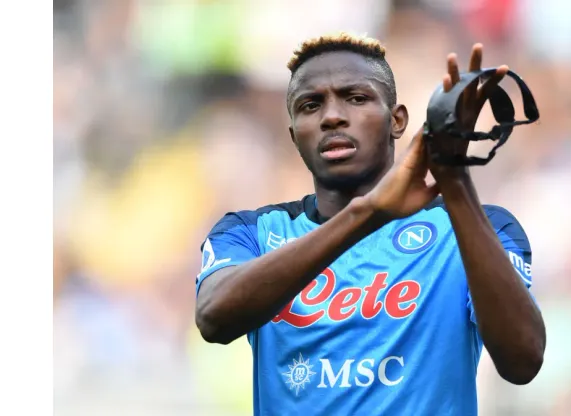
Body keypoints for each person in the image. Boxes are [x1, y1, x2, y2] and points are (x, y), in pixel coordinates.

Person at [194, 32, 546, 415]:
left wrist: (455, 181)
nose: (331, 116)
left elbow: (522, 361)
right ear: (294, 134)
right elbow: (214, 318)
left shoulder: (479, 227)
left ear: (397, 121)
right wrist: (368, 213)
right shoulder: (251, 233)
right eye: (311, 105)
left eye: (356, 98)